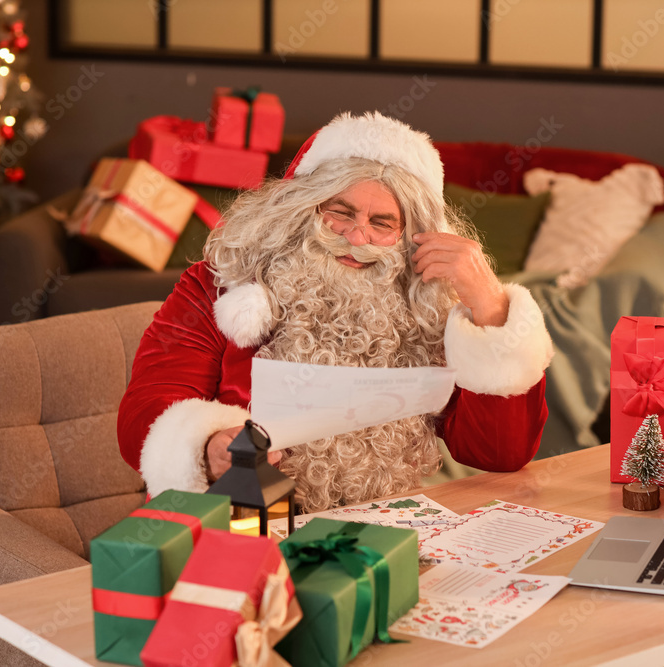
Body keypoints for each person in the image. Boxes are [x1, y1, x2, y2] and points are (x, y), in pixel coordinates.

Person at [117, 112, 554, 512]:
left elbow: (500, 453)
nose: (357, 235)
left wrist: (491, 306)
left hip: (383, 532)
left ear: (413, 236)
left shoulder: (431, 306)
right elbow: (147, 410)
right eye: (339, 212)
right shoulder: (216, 284)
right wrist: (207, 446)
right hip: (242, 524)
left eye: (383, 223)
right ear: (300, 210)